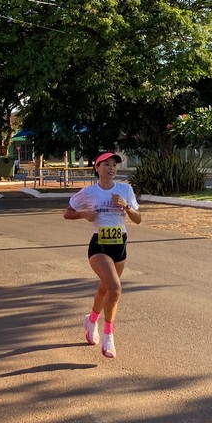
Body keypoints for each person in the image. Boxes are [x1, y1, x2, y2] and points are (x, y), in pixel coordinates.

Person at [63, 152, 142, 359]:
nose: (111, 168)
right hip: (99, 245)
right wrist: (84, 214)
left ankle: (91, 319)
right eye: (106, 164)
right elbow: (67, 212)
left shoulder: (125, 189)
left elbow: (138, 219)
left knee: (105, 288)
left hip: (120, 244)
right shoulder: (89, 193)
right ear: (97, 167)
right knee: (115, 290)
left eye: (114, 165)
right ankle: (109, 336)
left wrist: (125, 205)